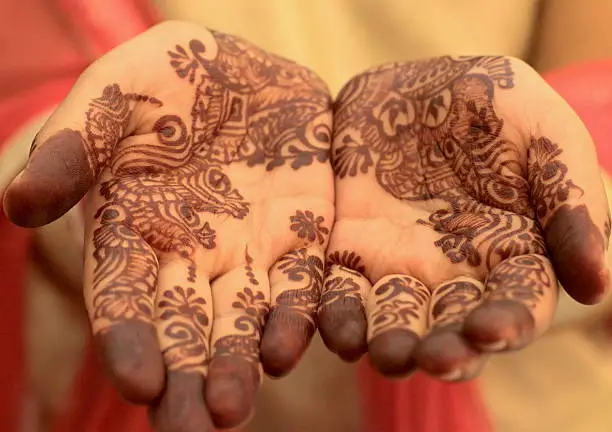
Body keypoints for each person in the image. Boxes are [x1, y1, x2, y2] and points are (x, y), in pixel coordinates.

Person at [3, 1, 612, 432]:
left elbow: (599, 88)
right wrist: (93, 171)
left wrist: (564, 179)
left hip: (525, 400)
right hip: (92, 360)